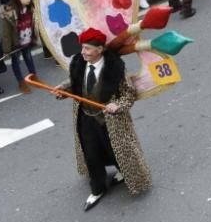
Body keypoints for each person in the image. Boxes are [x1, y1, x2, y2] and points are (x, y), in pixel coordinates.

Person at [53, 28, 151, 211]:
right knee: (91, 154)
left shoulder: (115, 69)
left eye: (87, 49)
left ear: (100, 49)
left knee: (115, 150)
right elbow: (75, 84)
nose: (83, 52)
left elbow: (129, 95)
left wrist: (118, 106)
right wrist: (63, 91)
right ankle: (97, 188)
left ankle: (124, 173)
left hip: (111, 121)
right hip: (86, 118)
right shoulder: (79, 64)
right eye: (82, 48)